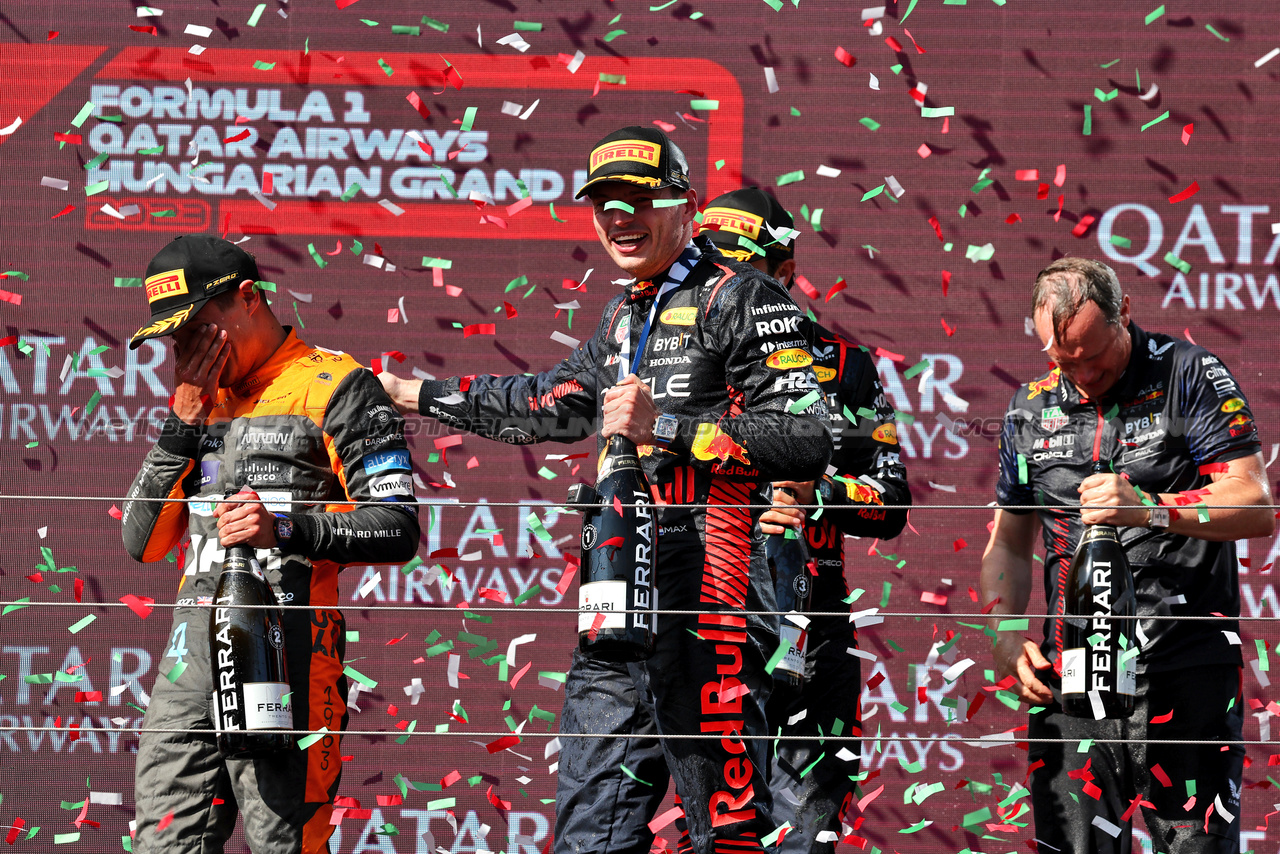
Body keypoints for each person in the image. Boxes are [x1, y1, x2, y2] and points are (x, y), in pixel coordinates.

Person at [377, 127, 833, 854]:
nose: (619, 216)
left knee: (729, 834)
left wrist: (675, 431)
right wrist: (413, 394)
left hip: (711, 605)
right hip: (616, 602)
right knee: (590, 836)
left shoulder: (740, 295)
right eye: (602, 202)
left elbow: (810, 437)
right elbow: (546, 401)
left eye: (638, 198)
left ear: (685, 204)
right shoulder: (624, 314)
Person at [121, 235, 421, 854]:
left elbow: (398, 526)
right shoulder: (197, 405)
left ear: (249, 299)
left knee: (286, 847)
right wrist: (182, 424)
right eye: (174, 339)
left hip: (288, 670)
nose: (187, 351)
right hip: (187, 677)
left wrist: (286, 529)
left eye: (199, 328)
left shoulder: (339, 384)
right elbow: (142, 544)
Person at [979, 257, 1273, 854]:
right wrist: (1006, 634)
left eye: (1095, 355)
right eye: (1065, 361)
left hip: (1185, 666)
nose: (1083, 374)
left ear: (1125, 314)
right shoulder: (1029, 406)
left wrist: (1149, 508)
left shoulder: (1189, 373)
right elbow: (1008, 540)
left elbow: (1254, 504)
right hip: (1075, 675)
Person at [703, 188, 912, 853]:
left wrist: (816, 489)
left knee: (802, 840)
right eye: (716, 269)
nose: (732, 288)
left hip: (808, 638)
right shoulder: (669, 362)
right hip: (701, 627)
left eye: (749, 272)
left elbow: (890, 501)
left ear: (786, 269)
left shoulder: (846, 367)